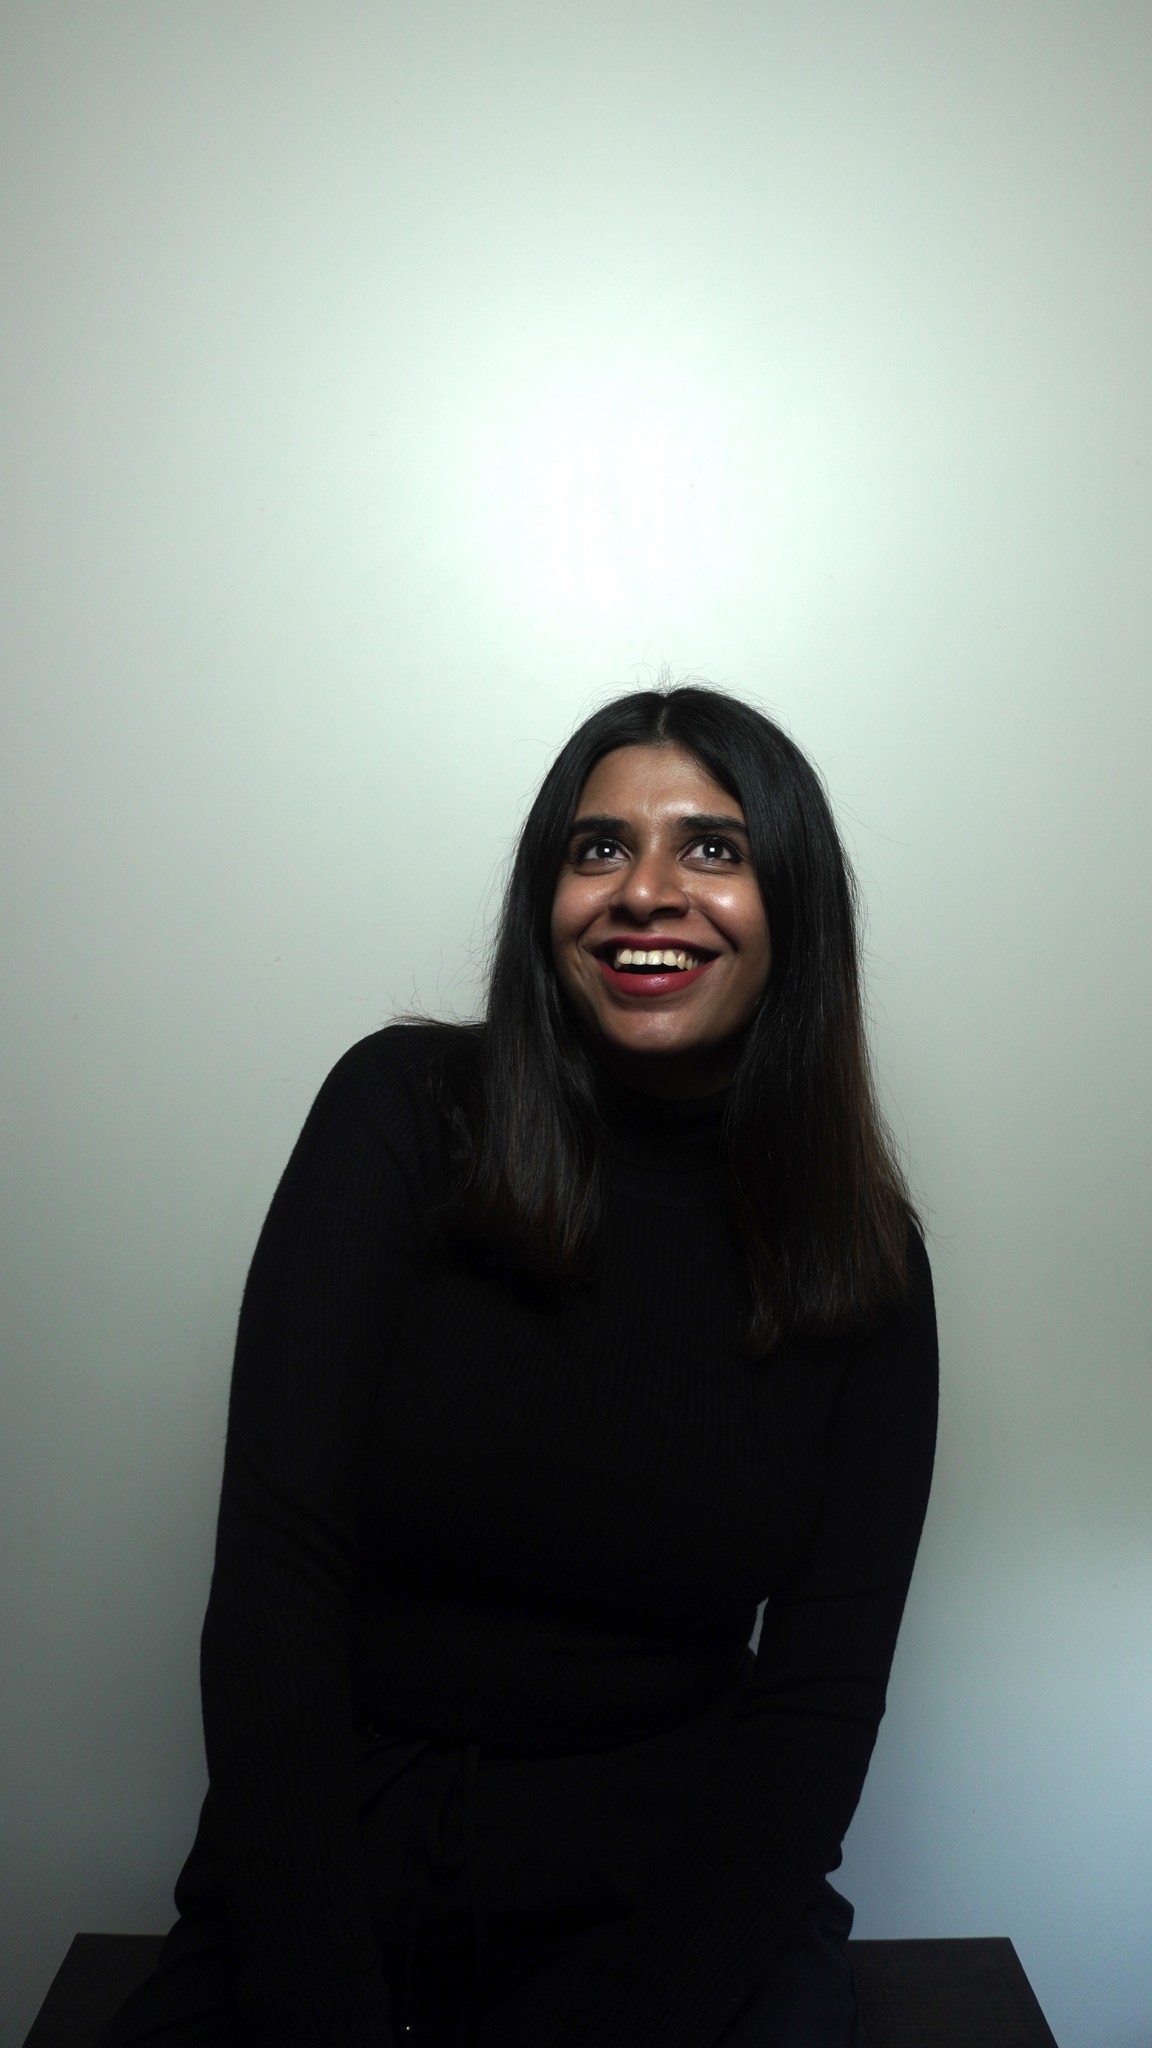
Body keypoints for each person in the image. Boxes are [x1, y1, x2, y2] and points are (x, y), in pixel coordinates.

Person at [100, 684, 938, 2048]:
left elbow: (819, 1702)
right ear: (548, 900)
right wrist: (319, 1998)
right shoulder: (400, 1113)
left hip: (674, 1887)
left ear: (795, 906)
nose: (645, 891)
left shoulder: (866, 1253)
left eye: (712, 848)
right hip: (336, 1853)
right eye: (599, 848)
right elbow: (272, 1586)